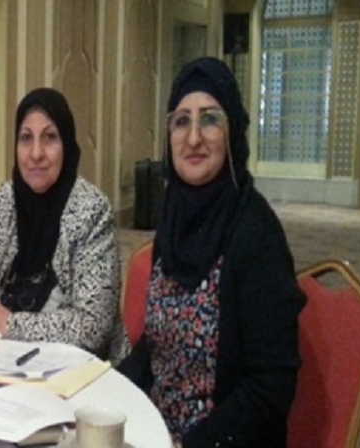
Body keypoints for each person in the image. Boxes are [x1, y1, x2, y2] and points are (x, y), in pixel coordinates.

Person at [117, 57, 306, 448]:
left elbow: (269, 387)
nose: (193, 139)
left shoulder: (257, 235)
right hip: (155, 431)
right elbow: (158, 347)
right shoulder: (173, 222)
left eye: (209, 119)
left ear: (232, 130)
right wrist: (106, 388)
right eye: (181, 121)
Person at [0, 87, 124, 361]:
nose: (36, 153)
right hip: (7, 362)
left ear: (67, 144)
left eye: (50, 137)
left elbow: (93, 327)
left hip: (79, 371)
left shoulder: (92, 210)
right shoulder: (7, 199)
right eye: (26, 138)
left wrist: (11, 324)